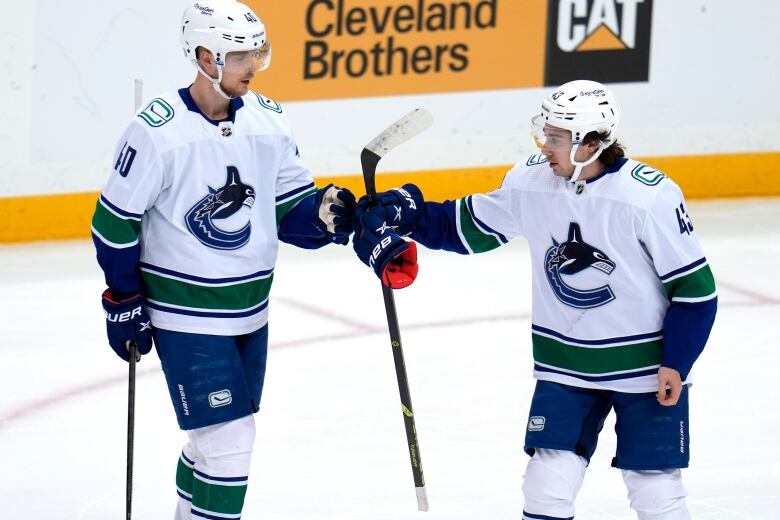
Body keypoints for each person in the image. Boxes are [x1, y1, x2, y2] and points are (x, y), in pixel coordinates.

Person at [353, 80, 717, 519]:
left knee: (656, 493)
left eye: (558, 139)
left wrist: (677, 361)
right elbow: (467, 227)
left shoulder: (647, 198)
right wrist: (409, 213)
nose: (546, 146)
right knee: (545, 489)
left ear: (593, 143)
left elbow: (696, 291)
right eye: (545, 133)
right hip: (565, 366)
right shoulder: (532, 182)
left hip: (643, 370)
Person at [90, 1, 357, 518]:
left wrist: (323, 216)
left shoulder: (271, 121)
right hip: (184, 312)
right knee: (231, 441)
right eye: (240, 56)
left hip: (250, 310)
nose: (253, 65)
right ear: (205, 56)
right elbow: (113, 222)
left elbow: (287, 209)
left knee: (210, 444)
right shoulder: (156, 132)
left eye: (257, 52)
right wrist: (123, 299)